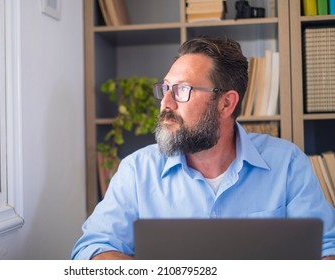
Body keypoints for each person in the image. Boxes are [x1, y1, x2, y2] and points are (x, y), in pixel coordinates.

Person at [71, 35, 335, 260]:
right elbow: (91, 249)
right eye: (165, 88)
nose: (166, 103)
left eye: (182, 90)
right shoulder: (137, 170)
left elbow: (328, 248)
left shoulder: (287, 163)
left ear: (226, 103)